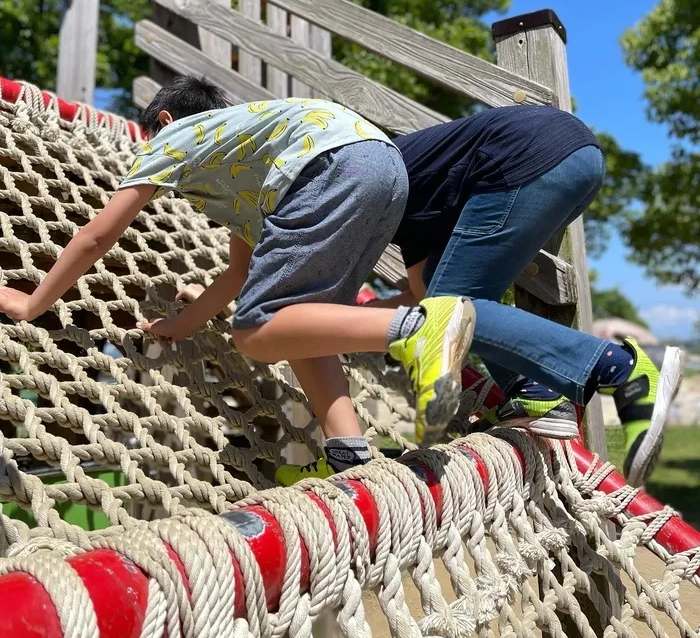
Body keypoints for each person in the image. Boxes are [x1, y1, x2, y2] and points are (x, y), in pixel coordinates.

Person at [0, 76, 474, 449]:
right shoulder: (245, 160)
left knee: (255, 331)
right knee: (299, 322)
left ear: (165, 119)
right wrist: (183, 323)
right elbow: (238, 273)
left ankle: (416, 328)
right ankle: (348, 450)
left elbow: (99, 234)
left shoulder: (178, 135)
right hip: (385, 167)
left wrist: (32, 303)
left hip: (329, 167)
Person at [272, 106, 684, 489]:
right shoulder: (413, 196)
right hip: (577, 159)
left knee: (451, 305)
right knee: (450, 295)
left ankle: (621, 369)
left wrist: (325, 322)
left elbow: (435, 312)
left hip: (529, 153)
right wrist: (369, 317)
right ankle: (538, 394)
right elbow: (422, 293)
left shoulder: (367, 178)